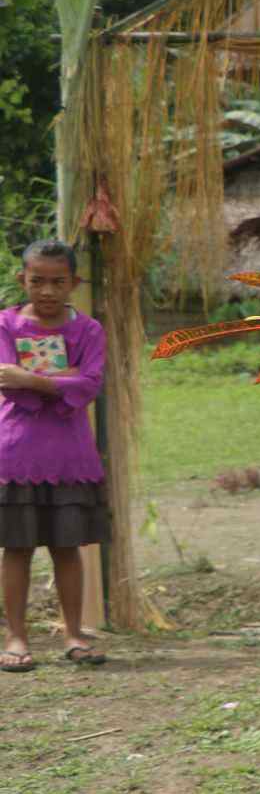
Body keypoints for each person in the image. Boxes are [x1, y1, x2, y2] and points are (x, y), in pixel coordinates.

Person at [1, 239, 109, 671]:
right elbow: (8, 384)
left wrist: (33, 379)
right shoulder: (5, 325)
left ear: (74, 283)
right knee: (17, 547)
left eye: (57, 282)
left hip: (70, 458)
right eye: (37, 281)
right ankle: (15, 637)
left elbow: (89, 385)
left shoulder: (89, 331)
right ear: (21, 279)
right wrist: (60, 380)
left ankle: (74, 633)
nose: (47, 291)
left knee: (67, 547)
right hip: (15, 457)